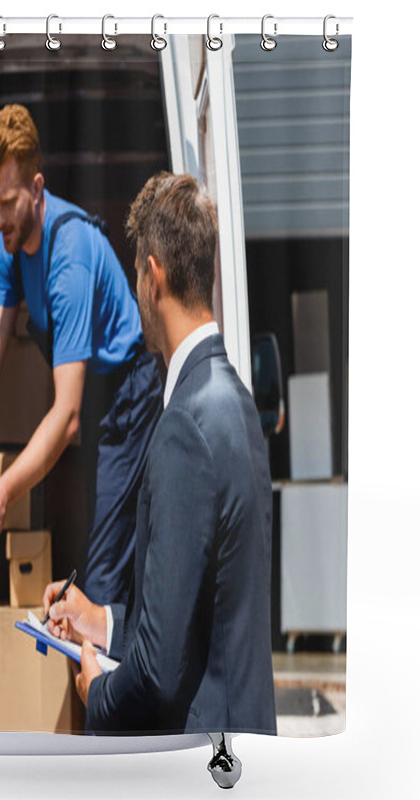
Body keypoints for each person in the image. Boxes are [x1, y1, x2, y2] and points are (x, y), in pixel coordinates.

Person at [42, 172, 278, 735]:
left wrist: (96, 691)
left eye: (135, 274)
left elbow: (158, 674)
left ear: (153, 277)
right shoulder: (237, 402)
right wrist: (100, 621)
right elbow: (199, 622)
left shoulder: (183, 428)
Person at [0, 104, 162, 606]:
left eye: (8, 202)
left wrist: (3, 492)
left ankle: (108, 672)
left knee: (103, 571)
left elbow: (68, 414)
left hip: (131, 397)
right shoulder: (8, 246)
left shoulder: (69, 258)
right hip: (93, 395)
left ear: (36, 188)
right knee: (105, 543)